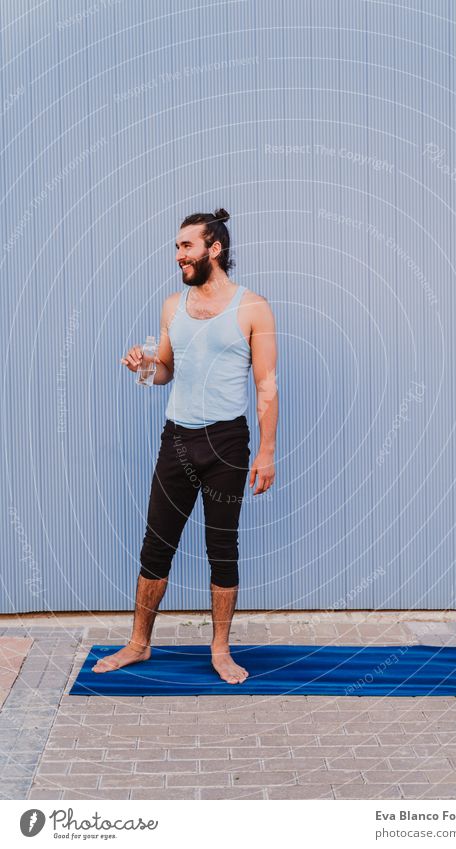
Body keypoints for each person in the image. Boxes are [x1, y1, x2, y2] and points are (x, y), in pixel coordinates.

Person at [93, 209, 278, 683]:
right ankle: (138, 644)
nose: (179, 256)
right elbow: (166, 372)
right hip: (177, 438)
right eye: (177, 247)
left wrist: (267, 452)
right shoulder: (173, 305)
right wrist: (140, 365)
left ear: (214, 249)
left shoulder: (252, 307)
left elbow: (266, 387)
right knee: (156, 545)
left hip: (226, 444)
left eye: (186, 247)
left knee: (222, 547)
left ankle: (220, 650)